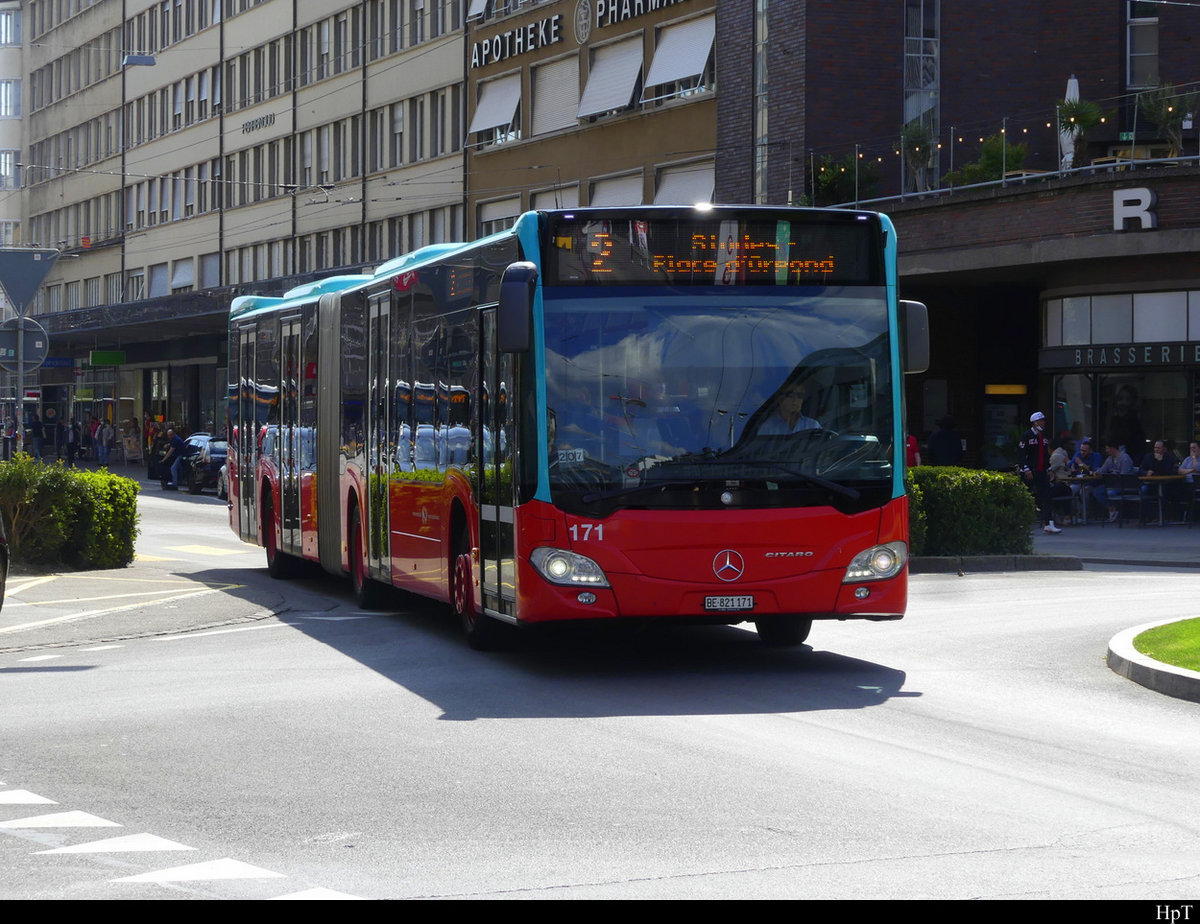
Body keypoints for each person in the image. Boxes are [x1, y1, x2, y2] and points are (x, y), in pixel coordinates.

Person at [1018, 410, 1060, 534]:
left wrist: (1049, 469)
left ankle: (1049, 524)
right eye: (1041, 420)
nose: (1043, 423)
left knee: (1047, 496)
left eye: (1043, 420)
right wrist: (1026, 469)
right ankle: (1021, 524)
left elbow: (1045, 455)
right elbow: (1021, 454)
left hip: (1041, 471)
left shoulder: (1044, 437)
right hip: (1030, 471)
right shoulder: (1026, 436)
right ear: (1035, 422)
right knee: (1025, 497)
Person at [1090, 438, 1136, 522]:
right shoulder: (1109, 459)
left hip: (1123, 485)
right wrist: (1097, 472)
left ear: (1112, 448)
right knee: (1096, 492)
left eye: (1107, 448)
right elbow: (1103, 469)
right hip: (1112, 484)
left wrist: (1113, 475)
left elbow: (1124, 475)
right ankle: (1112, 509)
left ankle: (1117, 512)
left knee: (1110, 493)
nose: (1106, 451)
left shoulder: (1124, 458)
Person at [756, 381, 820, 435]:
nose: (795, 399)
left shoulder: (813, 426)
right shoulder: (767, 428)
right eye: (791, 395)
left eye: (800, 395)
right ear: (780, 398)